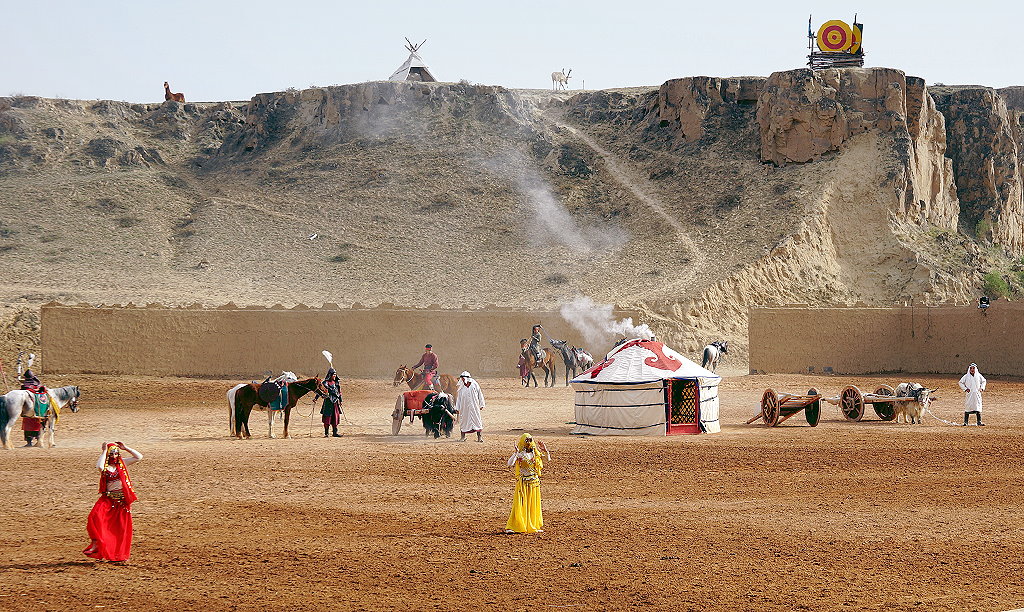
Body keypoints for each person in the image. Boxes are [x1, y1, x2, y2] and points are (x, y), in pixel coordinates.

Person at [84, 442, 143, 563]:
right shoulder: (105, 466)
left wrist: (126, 448)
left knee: (120, 529)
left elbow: (139, 457)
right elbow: (99, 467)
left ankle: (118, 554)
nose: (114, 456)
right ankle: (96, 543)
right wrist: (104, 451)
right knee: (94, 517)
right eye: (112, 453)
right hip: (108, 498)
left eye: (116, 453)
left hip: (121, 501)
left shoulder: (122, 463)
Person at [505, 433, 549, 534]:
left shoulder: (535, 453)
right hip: (523, 483)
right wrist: (516, 453)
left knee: (533, 505)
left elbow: (547, 459)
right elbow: (510, 463)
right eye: (526, 440)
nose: (528, 443)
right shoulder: (520, 454)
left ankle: (533, 525)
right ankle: (513, 526)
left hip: (534, 483)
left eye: (530, 440)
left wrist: (545, 451)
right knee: (520, 504)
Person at [455, 371, 485, 442]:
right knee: (464, 421)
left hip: (474, 407)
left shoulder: (474, 384)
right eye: (461, 379)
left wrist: (481, 404)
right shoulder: (461, 387)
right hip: (464, 408)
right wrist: (457, 408)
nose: (462, 380)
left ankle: (479, 438)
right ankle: (462, 437)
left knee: (477, 421)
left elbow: (480, 394)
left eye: (463, 378)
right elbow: (459, 398)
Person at [321, 367, 343, 437]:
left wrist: (340, 400)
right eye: (333, 374)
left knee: (335, 417)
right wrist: (315, 398)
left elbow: (339, 392)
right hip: (328, 402)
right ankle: (326, 433)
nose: (334, 376)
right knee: (327, 418)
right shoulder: (325, 382)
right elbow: (323, 390)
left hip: (335, 402)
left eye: (335, 374)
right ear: (330, 375)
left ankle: (335, 433)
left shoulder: (336, 383)